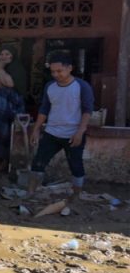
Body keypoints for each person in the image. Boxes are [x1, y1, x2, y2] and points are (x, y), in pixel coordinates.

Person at [28, 51, 93, 197]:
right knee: (38, 162)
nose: (56, 75)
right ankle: (30, 193)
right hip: (52, 132)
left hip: (73, 134)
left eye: (59, 71)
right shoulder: (50, 87)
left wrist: (80, 133)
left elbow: (87, 111)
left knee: (75, 165)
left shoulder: (82, 86)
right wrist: (36, 129)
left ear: (70, 68)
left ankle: (77, 196)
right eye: (53, 72)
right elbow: (44, 109)